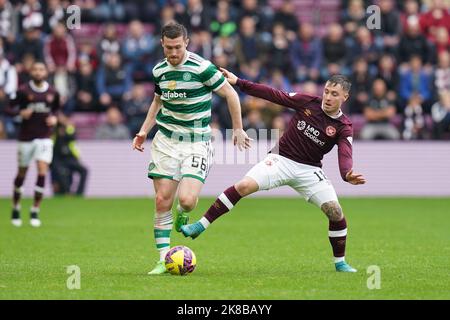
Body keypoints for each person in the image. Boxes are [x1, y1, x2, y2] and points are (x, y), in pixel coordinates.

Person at [181, 70, 366, 273]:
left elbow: (345, 154)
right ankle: (201, 225)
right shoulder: (308, 102)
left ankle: (340, 263)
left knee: (335, 211)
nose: (328, 97)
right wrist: (239, 82)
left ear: (345, 97)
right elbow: (273, 94)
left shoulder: (343, 126)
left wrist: (347, 174)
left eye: (334, 94)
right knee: (243, 185)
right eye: (327, 91)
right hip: (280, 159)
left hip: (309, 170)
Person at [132, 22, 251, 275]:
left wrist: (238, 128)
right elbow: (157, 101)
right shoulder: (159, 70)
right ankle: (163, 258)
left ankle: (182, 213)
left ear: (186, 42)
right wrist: (144, 130)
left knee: (186, 201)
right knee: (161, 199)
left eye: (177, 47)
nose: (173, 53)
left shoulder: (202, 68)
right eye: (168, 48)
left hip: (196, 142)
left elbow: (231, 94)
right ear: (162, 45)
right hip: (166, 141)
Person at [4, 61, 60, 227]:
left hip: (44, 137)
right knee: (22, 173)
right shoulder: (23, 91)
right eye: (35, 69)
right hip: (26, 137)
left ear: (45, 72)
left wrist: (55, 118)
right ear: (31, 72)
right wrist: (19, 112)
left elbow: (56, 109)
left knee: (42, 170)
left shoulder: (52, 92)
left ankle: (35, 210)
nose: (38, 72)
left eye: (41, 69)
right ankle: (16, 207)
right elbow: (7, 107)